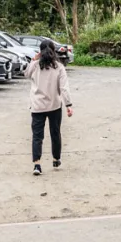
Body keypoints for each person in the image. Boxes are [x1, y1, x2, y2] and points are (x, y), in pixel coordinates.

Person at [26, 39, 73, 176]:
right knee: (55, 133)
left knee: (37, 136)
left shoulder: (35, 65)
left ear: (40, 51)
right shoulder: (59, 67)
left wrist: (33, 59)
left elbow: (26, 74)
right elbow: (64, 88)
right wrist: (68, 105)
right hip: (54, 105)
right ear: (54, 51)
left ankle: (37, 165)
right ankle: (56, 159)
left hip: (37, 106)